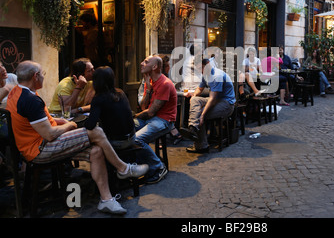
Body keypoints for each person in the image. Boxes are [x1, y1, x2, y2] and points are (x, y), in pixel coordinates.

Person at [6, 61, 149, 215]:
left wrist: (60, 121)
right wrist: (70, 125)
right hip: (41, 150)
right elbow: (49, 134)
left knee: (96, 151)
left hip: (38, 146)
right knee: (96, 131)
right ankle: (123, 168)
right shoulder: (31, 100)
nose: (43, 77)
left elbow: (39, 122)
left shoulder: (17, 92)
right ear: (35, 76)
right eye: (42, 74)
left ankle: (106, 200)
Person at [134, 55, 176, 179]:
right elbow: (143, 107)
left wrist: (134, 116)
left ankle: (158, 167)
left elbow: (150, 112)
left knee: (137, 139)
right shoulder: (150, 82)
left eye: (146, 62)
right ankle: (135, 165)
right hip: (151, 119)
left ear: (154, 67)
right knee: (125, 130)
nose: (142, 63)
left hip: (164, 120)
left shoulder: (164, 83)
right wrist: (148, 88)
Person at [180, 58, 235, 153]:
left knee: (199, 114)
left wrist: (202, 115)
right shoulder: (205, 75)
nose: (200, 71)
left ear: (208, 64)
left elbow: (212, 99)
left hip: (227, 104)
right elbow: (199, 89)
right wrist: (193, 96)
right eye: (198, 69)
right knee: (195, 99)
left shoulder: (216, 76)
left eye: (201, 68)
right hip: (217, 101)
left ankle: (201, 145)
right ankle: (192, 127)